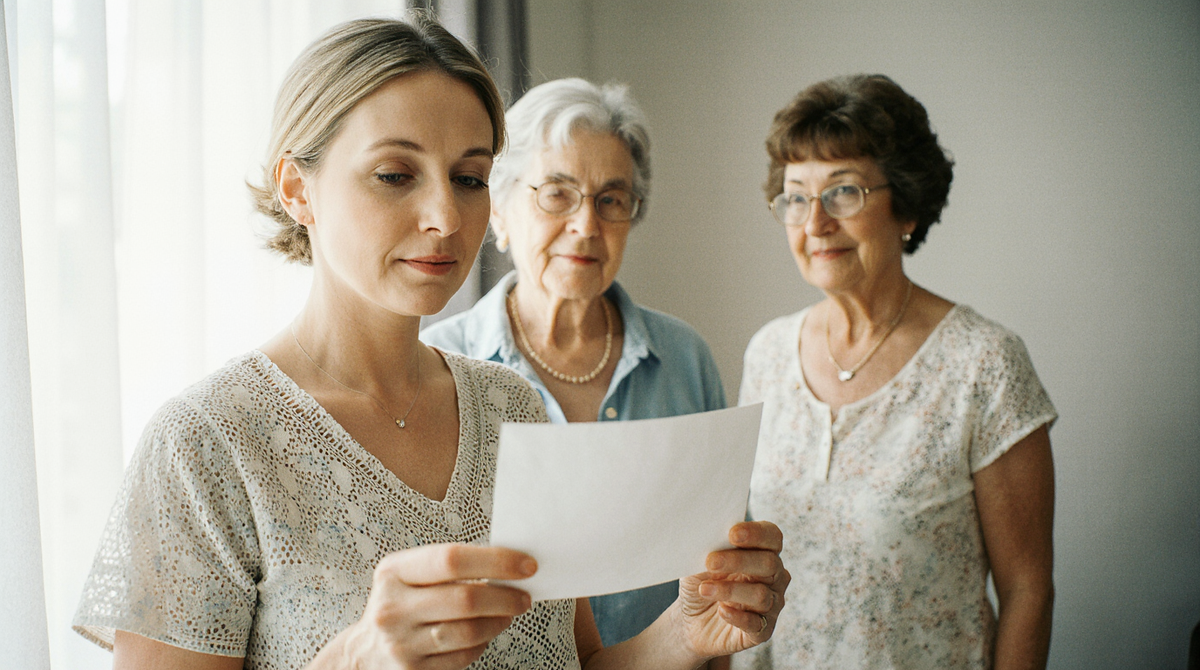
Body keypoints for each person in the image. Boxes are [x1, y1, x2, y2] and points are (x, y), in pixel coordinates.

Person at [72, 16, 788, 670]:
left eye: (470, 177)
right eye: (395, 174)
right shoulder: (204, 446)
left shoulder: (513, 407)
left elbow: (575, 664)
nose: (447, 216)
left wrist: (684, 633)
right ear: (297, 188)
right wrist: (354, 661)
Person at [732, 74, 1056, 669]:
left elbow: (1027, 592)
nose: (815, 222)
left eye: (844, 193)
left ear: (904, 204)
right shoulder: (768, 355)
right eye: (796, 196)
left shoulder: (984, 364)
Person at [421, 77, 726, 648]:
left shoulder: (685, 358)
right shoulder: (439, 364)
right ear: (500, 214)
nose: (587, 225)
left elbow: (721, 570)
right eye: (557, 193)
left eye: (611, 200)